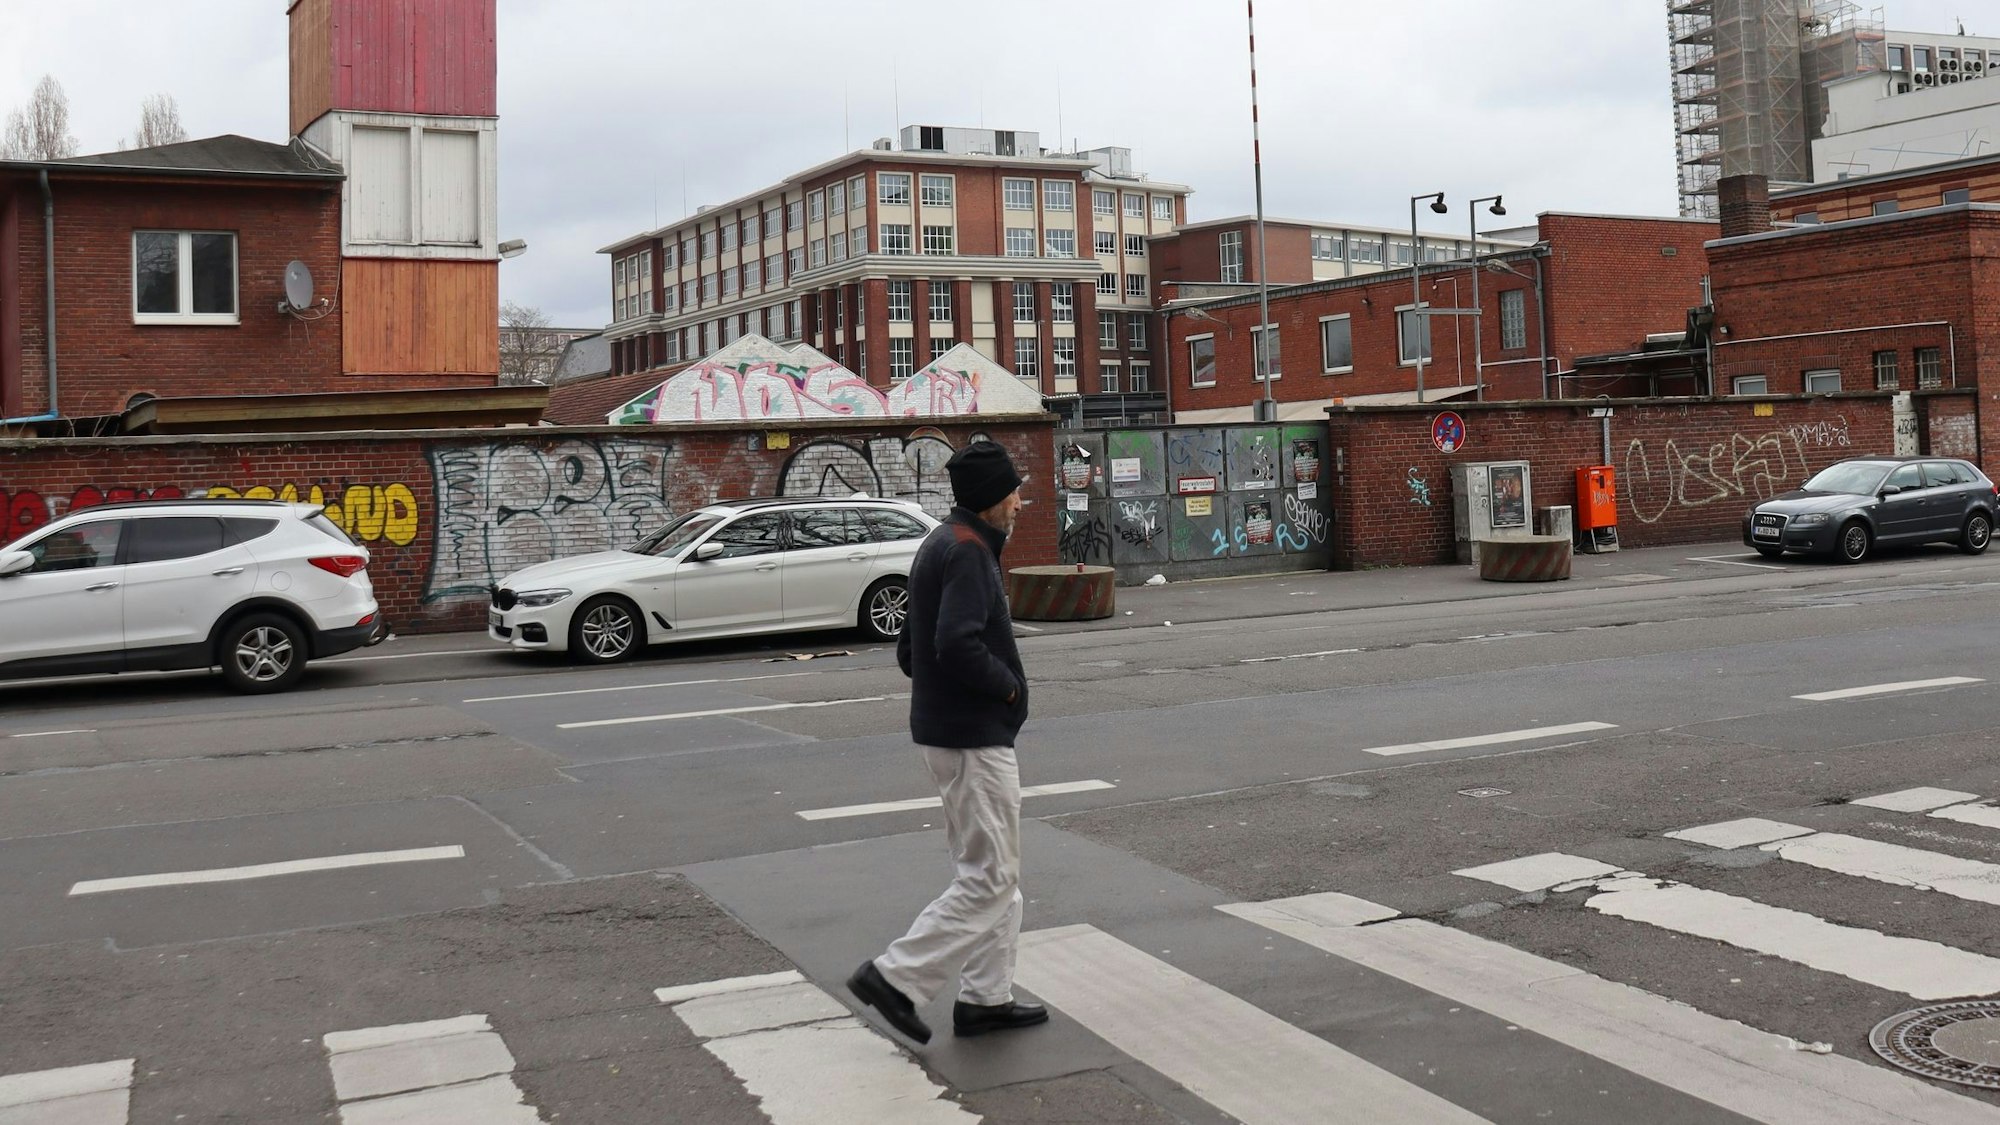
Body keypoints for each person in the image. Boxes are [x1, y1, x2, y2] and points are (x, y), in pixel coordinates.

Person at [847, 441, 1047, 1045]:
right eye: (1013, 491)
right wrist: (1007, 689)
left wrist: (947, 692)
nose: (1019, 502)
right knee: (991, 878)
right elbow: (955, 644)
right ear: (991, 498)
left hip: (949, 733)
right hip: (972, 739)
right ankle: (895, 977)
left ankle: (986, 998)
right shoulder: (966, 554)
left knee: (992, 874)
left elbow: (912, 650)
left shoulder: (941, 542)